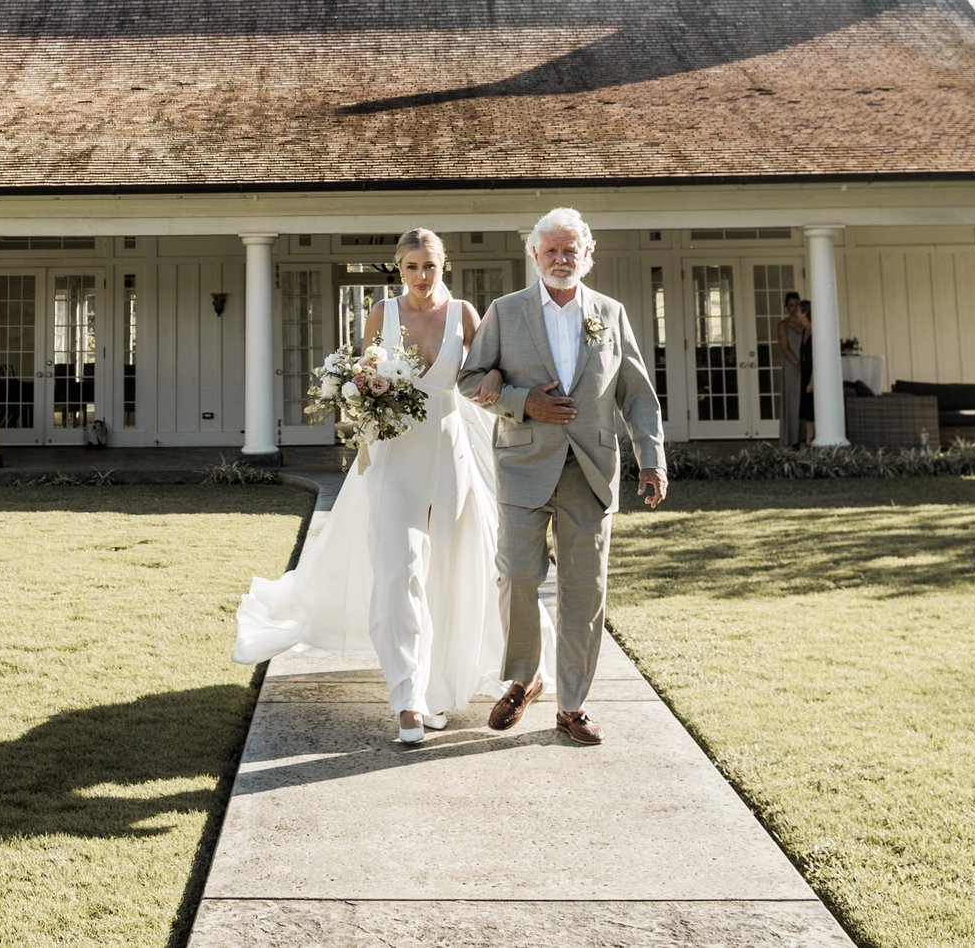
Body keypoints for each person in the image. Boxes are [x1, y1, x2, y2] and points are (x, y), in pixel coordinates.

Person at [232, 229, 523, 744]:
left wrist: (495, 376)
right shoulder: (381, 315)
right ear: (399, 268)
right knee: (399, 569)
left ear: (443, 265)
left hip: (451, 455)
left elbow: (488, 371)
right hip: (395, 458)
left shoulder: (465, 315)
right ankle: (407, 699)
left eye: (430, 265)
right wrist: (363, 410)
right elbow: (365, 385)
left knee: (451, 572)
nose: (422, 276)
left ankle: (437, 691)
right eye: (412, 266)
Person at [457, 206, 667, 747]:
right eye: (550, 249)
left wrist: (652, 458)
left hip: (591, 471)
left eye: (570, 249)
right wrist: (522, 401)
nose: (560, 258)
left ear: (588, 254)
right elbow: (470, 378)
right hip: (523, 464)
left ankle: (573, 705)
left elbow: (637, 394)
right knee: (519, 577)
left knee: (584, 590)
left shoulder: (611, 313)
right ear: (534, 255)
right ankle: (524, 680)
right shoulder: (505, 312)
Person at [775, 290, 812, 449]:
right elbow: (784, 348)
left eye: (797, 305)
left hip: (807, 367)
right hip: (792, 367)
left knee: (806, 403)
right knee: (792, 403)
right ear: (786, 307)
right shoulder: (783, 324)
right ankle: (792, 440)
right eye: (791, 305)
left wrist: (806, 368)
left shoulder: (807, 324)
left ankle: (808, 438)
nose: (794, 308)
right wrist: (798, 365)